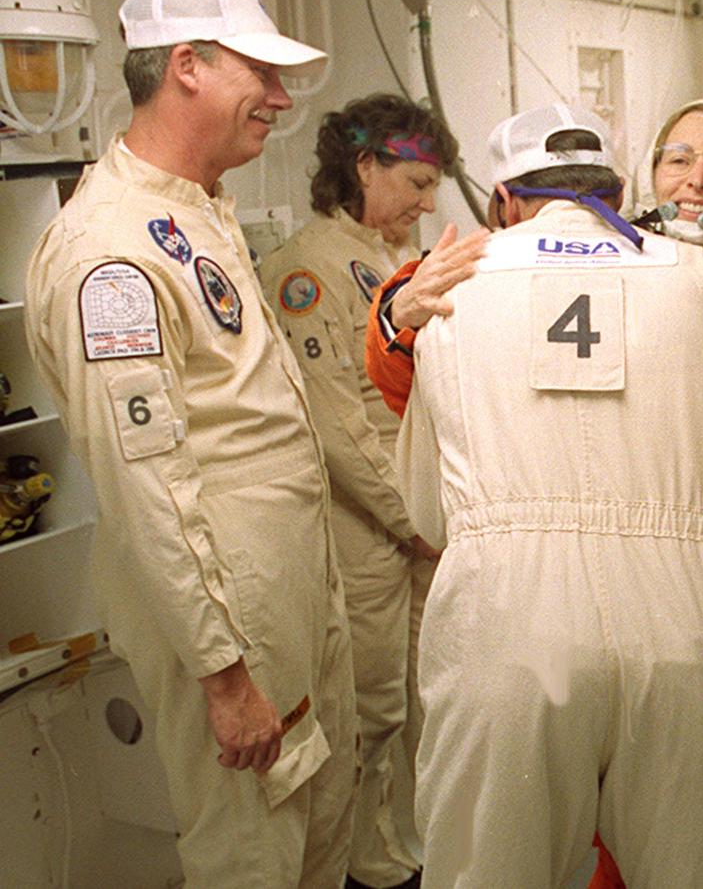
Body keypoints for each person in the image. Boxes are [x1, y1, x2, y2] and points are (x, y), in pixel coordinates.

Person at [366, 99, 703, 888]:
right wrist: (392, 317)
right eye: (679, 159)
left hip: (534, 616)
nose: (697, 180)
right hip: (699, 620)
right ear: (628, 185)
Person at [24, 0, 357, 885]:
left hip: (285, 585)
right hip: (229, 613)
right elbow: (147, 480)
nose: (282, 98)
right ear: (189, 66)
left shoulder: (197, 212)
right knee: (251, 852)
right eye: (264, 72)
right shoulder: (113, 252)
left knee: (319, 828)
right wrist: (222, 673)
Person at [260, 94, 456, 889]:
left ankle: (411, 848)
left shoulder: (388, 262)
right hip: (369, 531)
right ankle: (368, 869)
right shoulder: (305, 270)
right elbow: (340, 425)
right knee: (372, 711)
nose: (427, 201)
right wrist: (413, 521)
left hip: (417, 521)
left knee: (426, 699)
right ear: (363, 165)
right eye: (414, 181)